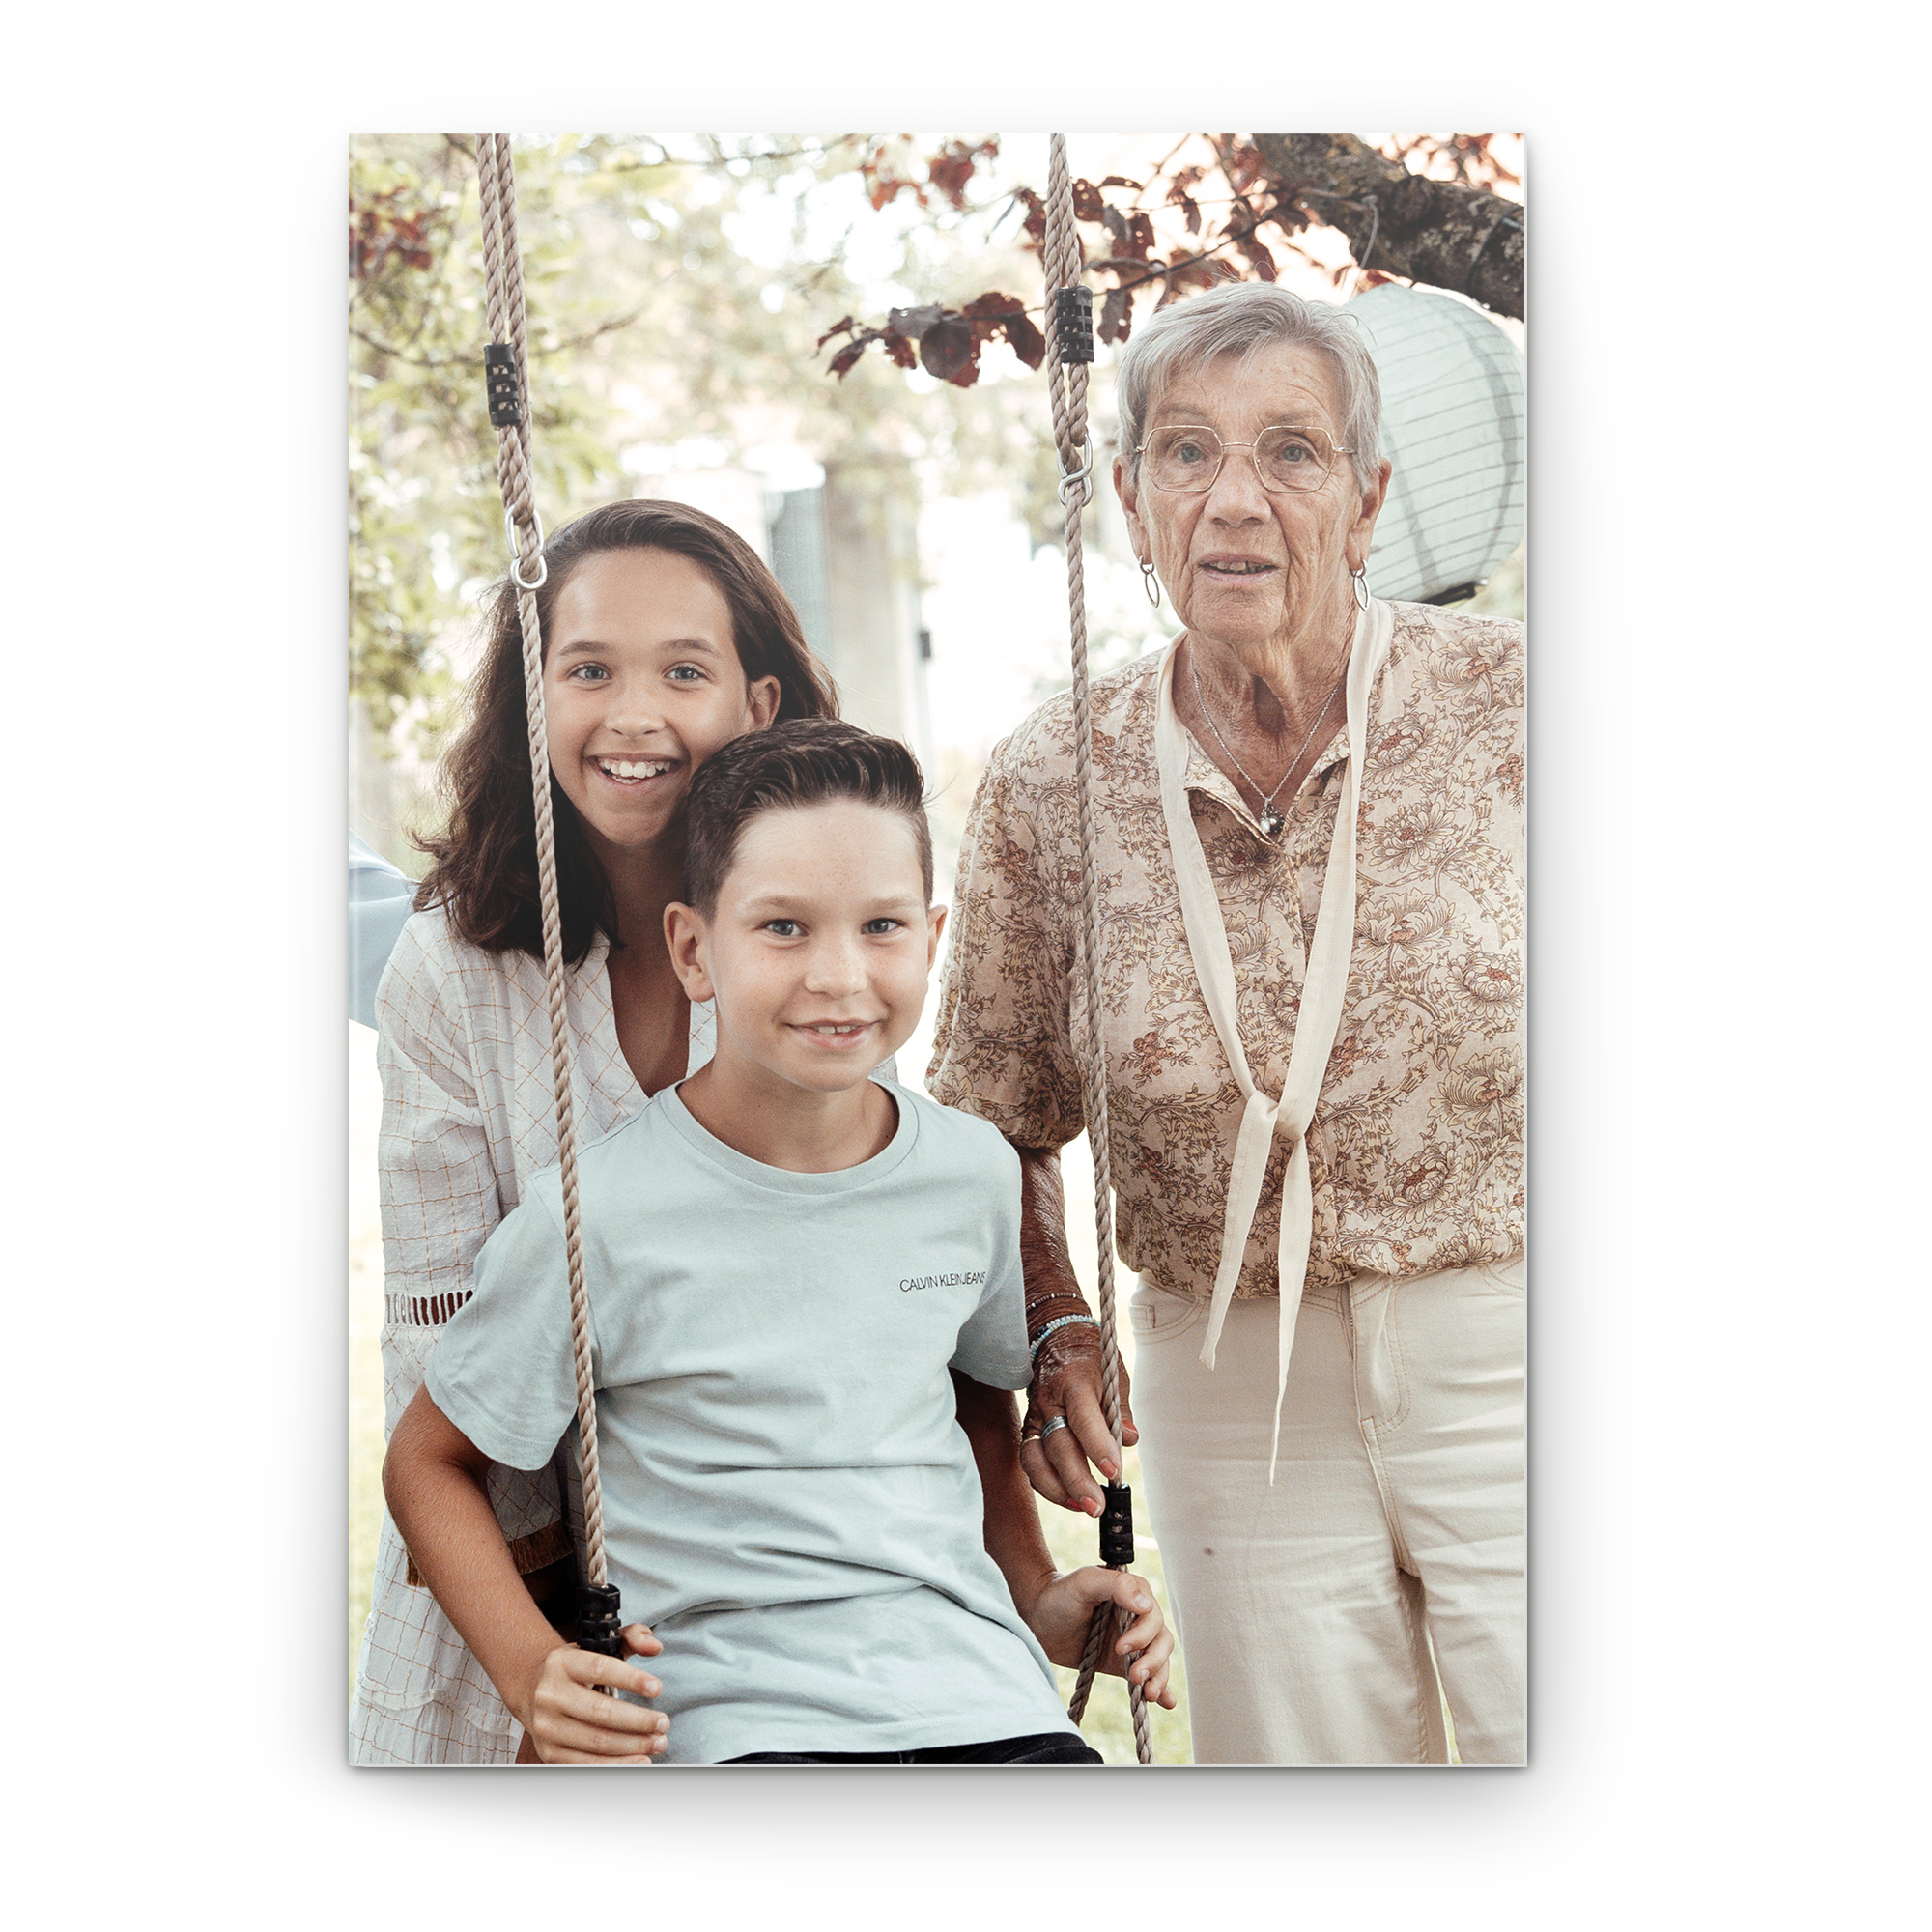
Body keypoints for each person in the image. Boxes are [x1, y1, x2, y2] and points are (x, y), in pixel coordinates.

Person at [928, 282, 1526, 1766]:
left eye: (1292, 452)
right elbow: (991, 1118)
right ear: (1131, 498)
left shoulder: (1523, 707)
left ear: (1370, 498)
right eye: (1188, 452)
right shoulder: (1052, 776)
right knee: (1310, 1833)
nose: (1235, 500)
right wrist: (1055, 1313)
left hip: (1518, 1340)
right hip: (1225, 1379)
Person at [384, 721, 1174, 1763]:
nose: (839, 975)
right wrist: (532, 1670)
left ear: (932, 938)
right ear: (693, 950)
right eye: (784, 927)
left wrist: (1036, 1595)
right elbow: (427, 1461)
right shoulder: (597, 1214)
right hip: (735, 1721)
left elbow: (969, 1404)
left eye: (881, 926)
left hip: (986, 1707)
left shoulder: (971, 1171)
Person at [350, 497, 840, 1764]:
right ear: (533, 697)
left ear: (759, 703)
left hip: (765, 1563)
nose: (633, 715)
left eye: (682, 671)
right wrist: (541, 1672)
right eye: (587, 671)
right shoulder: (451, 972)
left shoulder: (817, 945)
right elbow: (436, 1368)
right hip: (508, 1585)